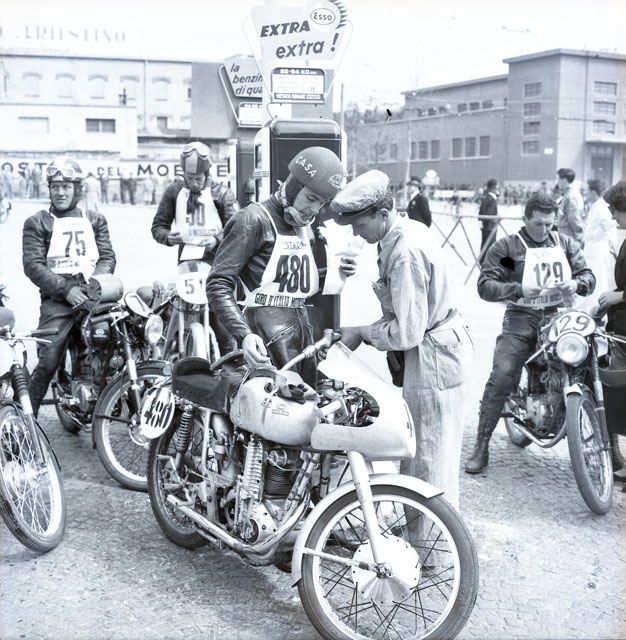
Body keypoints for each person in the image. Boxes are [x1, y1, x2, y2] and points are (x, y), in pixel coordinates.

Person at [333, 170, 472, 510]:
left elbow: (407, 333)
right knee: (433, 456)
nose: (356, 233)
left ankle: (433, 541)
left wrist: (362, 332)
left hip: (433, 357)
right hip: (441, 347)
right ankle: (437, 535)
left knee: (426, 462)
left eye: (360, 224)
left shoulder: (405, 253)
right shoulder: (403, 232)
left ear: (382, 214)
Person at [464, 193, 595, 473]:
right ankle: (482, 443)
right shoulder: (510, 249)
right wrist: (518, 289)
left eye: (549, 224)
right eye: (538, 224)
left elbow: (588, 275)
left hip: (558, 317)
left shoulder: (565, 244)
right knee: (503, 372)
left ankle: (606, 444)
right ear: (525, 219)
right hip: (522, 317)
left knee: (591, 361)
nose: (545, 230)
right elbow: (486, 284)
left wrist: (577, 284)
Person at [206, 146, 352, 387]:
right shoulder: (252, 219)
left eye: (322, 203)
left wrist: (336, 273)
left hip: (300, 334)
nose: (314, 210)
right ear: (292, 186)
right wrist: (244, 334)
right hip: (262, 337)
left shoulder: (303, 226)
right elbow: (218, 283)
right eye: (310, 199)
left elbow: (288, 280)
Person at [22, 156, 116, 417]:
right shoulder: (37, 222)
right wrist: (65, 289)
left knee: (108, 351)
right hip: (57, 300)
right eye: (55, 186)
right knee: (49, 358)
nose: (61, 192)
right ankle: (24, 421)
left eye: (66, 186)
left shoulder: (95, 219)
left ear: (78, 189)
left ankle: (102, 408)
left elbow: (107, 257)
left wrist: (95, 284)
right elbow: (33, 265)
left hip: (91, 295)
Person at [151, 141, 239, 354]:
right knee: (178, 316)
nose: (194, 183)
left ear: (207, 174)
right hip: (187, 265)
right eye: (189, 179)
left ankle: (230, 364)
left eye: (198, 178)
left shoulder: (223, 194)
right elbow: (158, 226)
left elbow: (236, 230)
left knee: (223, 325)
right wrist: (168, 237)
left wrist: (216, 239)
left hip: (217, 264)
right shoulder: (174, 192)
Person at [595, 181, 626, 475]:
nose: (613, 216)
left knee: (617, 390)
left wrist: (620, 295)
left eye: (615, 210)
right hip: (620, 326)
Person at [578, 179, 617, 313]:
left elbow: (610, 226)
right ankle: (593, 307)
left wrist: (609, 243)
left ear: (593, 192)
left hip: (598, 249)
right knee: (594, 279)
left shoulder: (601, 207)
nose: (586, 194)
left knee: (597, 280)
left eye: (588, 191)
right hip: (592, 249)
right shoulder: (596, 206)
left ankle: (597, 309)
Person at [556, 167, 585, 246]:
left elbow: (574, 218)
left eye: (559, 179)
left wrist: (579, 236)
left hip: (569, 235)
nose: (558, 182)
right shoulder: (569, 194)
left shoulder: (571, 196)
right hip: (566, 234)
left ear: (564, 180)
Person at [478, 178, 499, 265]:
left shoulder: (486, 198)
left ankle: (482, 261)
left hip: (485, 227)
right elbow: (489, 214)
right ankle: (487, 263)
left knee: (484, 245)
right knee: (490, 246)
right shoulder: (491, 200)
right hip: (490, 227)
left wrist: (481, 223)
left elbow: (480, 212)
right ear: (494, 188)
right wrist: (496, 219)